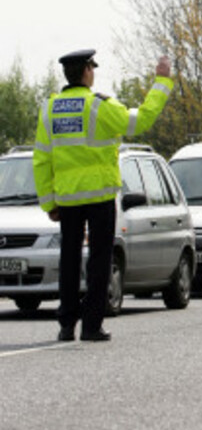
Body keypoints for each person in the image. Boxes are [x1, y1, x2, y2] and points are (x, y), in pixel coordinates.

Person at [33, 49, 174, 342]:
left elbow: (41, 159)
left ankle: (65, 324)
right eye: (92, 68)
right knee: (99, 260)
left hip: (68, 199)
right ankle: (91, 325)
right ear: (86, 72)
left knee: (69, 259)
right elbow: (142, 120)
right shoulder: (99, 106)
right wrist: (162, 82)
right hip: (99, 198)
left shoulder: (50, 108)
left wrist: (49, 202)